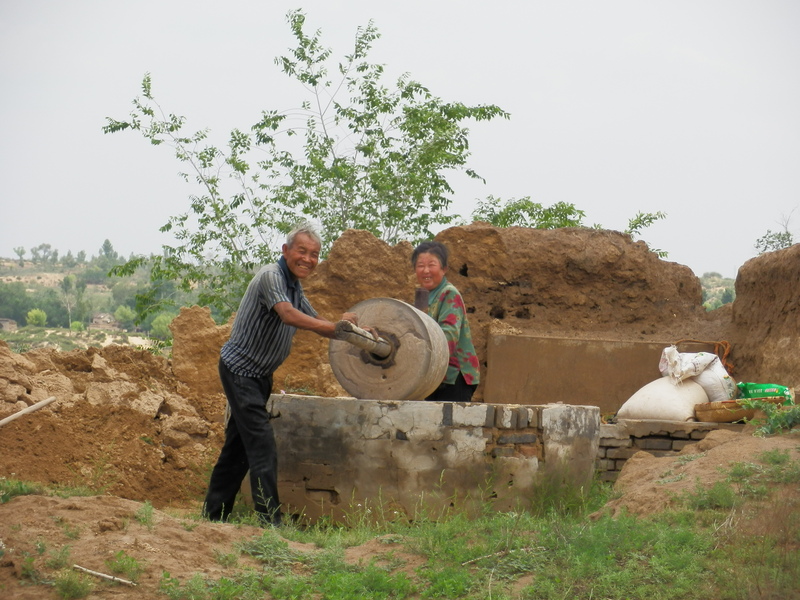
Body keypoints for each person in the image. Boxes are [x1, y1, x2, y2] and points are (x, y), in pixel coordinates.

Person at [203, 223, 358, 526]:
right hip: (240, 371)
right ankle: (269, 523)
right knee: (261, 444)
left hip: (259, 376)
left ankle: (213, 515)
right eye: (302, 251)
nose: (308, 259)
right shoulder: (271, 277)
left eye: (314, 255)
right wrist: (333, 328)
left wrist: (352, 330)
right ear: (286, 251)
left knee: (238, 447)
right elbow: (289, 315)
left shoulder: (294, 285)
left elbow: (314, 318)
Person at [411, 241, 480, 402]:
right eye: (420, 265)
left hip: (455, 376)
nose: (426, 270)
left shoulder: (449, 293)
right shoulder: (425, 296)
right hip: (435, 376)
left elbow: (448, 337)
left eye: (432, 265)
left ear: (444, 269)